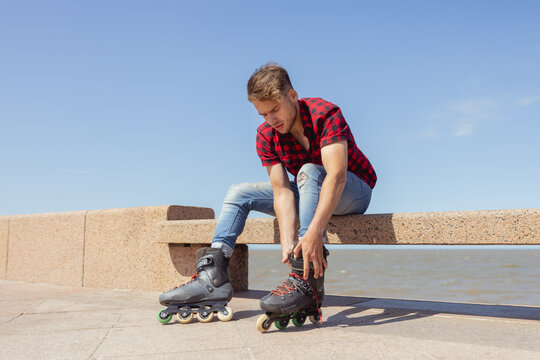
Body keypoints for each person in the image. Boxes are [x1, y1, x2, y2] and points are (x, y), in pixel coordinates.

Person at [158, 62, 377, 329]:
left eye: (274, 110)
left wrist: (310, 234)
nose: (271, 120)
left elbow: (336, 176)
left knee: (309, 170)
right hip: (308, 188)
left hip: (353, 191)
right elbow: (282, 190)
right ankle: (212, 277)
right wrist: (287, 241)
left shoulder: (325, 113)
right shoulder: (266, 135)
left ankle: (306, 279)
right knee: (239, 193)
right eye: (263, 114)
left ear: (293, 96)